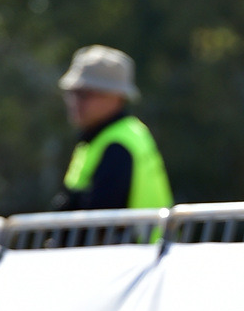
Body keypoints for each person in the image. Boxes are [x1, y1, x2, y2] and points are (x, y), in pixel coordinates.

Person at [53, 45, 173, 213]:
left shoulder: (118, 145)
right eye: (72, 92)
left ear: (116, 97)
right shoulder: (98, 139)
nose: (75, 102)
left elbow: (102, 219)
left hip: (135, 233)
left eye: (86, 94)